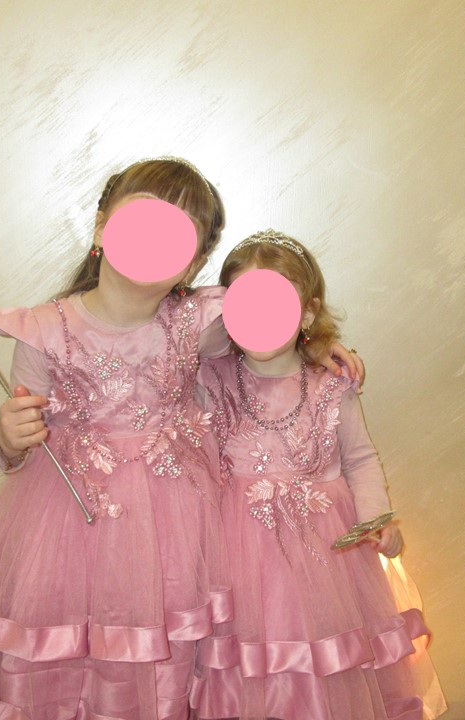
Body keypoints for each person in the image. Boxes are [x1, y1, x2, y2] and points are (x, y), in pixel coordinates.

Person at [0, 159, 361, 720]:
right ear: (101, 227)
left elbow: (269, 334)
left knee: (165, 666)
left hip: (176, 534)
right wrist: (10, 438)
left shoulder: (198, 321)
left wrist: (316, 346)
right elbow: (16, 452)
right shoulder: (42, 330)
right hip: (69, 529)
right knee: (68, 664)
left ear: (194, 262)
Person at [190, 229, 448, 720]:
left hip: (327, 557)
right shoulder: (211, 377)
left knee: (332, 667)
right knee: (255, 672)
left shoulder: (331, 385)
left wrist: (375, 520)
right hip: (240, 559)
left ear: (306, 313)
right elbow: (182, 324)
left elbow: (360, 459)